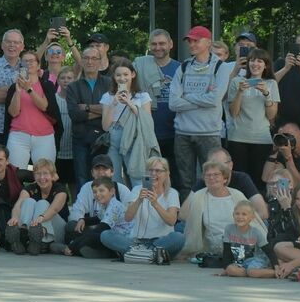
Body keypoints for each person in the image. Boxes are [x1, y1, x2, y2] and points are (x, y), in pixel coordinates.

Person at [169, 26, 235, 198]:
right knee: (185, 182)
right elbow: (173, 103)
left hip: (209, 134)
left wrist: (187, 96)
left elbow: (214, 100)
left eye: (196, 40)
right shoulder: (183, 67)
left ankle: (209, 216)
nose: (192, 44)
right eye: (190, 40)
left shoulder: (221, 67)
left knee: (212, 179)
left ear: (208, 42)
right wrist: (202, 99)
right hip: (182, 133)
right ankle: (186, 220)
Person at [101, 157, 183, 259]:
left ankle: (139, 254)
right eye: (150, 170)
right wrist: (139, 200)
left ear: (166, 174)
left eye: (158, 171)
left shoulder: (172, 193)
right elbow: (128, 218)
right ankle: (151, 254)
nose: (153, 174)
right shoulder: (137, 190)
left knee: (179, 237)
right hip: (137, 241)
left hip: (161, 241)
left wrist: (155, 203)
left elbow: (171, 221)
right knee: (105, 235)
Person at [225, 49, 279, 187]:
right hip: (238, 137)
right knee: (239, 180)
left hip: (262, 138)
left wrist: (266, 94)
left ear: (265, 65)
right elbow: (233, 113)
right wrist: (240, 92)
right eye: (252, 60)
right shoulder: (237, 82)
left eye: (260, 61)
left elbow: (272, 115)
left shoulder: (271, 83)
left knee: (259, 181)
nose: (255, 64)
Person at [99, 61, 158, 188]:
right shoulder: (108, 96)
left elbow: (147, 122)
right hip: (113, 135)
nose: (122, 78)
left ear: (133, 74)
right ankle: (120, 204)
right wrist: (114, 103)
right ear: (114, 77)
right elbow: (105, 126)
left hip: (134, 137)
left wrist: (130, 103)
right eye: (118, 75)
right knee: (113, 177)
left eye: (125, 74)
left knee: (138, 174)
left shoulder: (143, 96)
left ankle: (144, 203)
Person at [178, 161, 248, 259]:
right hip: (213, 249)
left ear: (225, 178)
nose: (211, 178)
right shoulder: (198, 196)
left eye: (216, 175)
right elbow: (192, 227)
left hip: (238, 244)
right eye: (208, 175)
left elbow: (251, 222)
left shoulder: (238, 196)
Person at [3, 50, 61, 170]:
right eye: (25, 61)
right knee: (15, 174)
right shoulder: (14, 88)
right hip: (19, 136)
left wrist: (29, 89)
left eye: (32, 61)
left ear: (38, 65)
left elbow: (45, 107)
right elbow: (13, 112)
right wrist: (18, 91)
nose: (28, 63)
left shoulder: (46, 85)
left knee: (45, 174)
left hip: (44, 136)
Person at [65, 45, 111, 191]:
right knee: (82, 178)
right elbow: (74, 114)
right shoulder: (73, 87)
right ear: (81, 61)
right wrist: (102, 109)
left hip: (104, 138)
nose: (90, 61)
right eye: (86, 58)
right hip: (81, 138)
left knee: (103, 178)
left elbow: (113, 110)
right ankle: (84, 212)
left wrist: (86, 107)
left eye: (94, 58)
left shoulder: (109, 83)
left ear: (100, 61)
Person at [133, 29, 181, 166]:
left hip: (175, 132)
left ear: (170, 44)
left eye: (162, 43)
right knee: (149, 174)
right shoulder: (139, 67)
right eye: (154, 44)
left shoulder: (181, 68)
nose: (158, 47)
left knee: (175, 175)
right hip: (147, 131)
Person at [5, 159, 68, 255]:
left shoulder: (60, 189)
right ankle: (23, 232)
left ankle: (41, 238)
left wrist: (41, 218)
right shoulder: (30, 188)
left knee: (42, 203)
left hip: (57, 231)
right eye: (38, 174)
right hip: (33, 230)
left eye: (45, 173)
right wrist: (14, 218)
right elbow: (19, 204)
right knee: (28, 201)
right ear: (34, 176)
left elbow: (54, 209)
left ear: (52, 176)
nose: (42, 177)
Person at [59, 173, 129, 258]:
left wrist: (72, 246)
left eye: (101, 190)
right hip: (110, 236)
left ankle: (68, 249)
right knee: (74, 229)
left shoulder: (114, 206)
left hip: (120, 240)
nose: (98, 194)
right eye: (95, 192)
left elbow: (100, 229)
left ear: (112, 191)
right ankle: (80, 249)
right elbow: (97, 219)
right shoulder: (105, 205)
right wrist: (84, 220)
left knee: (93, 237)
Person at [216, 200, 273, 278]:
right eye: (237, 214)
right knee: (230, 269)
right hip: (240, 262)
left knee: (252, 272)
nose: (240, 217)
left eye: (244, 214)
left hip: (256, 260)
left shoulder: (255, 232)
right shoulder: (229, 229)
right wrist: (226, 269)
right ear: (233, 215)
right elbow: (227, 251)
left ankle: (274, 272)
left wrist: (276, 265)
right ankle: (250, 273)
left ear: (251, 217)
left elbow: (268, 250)